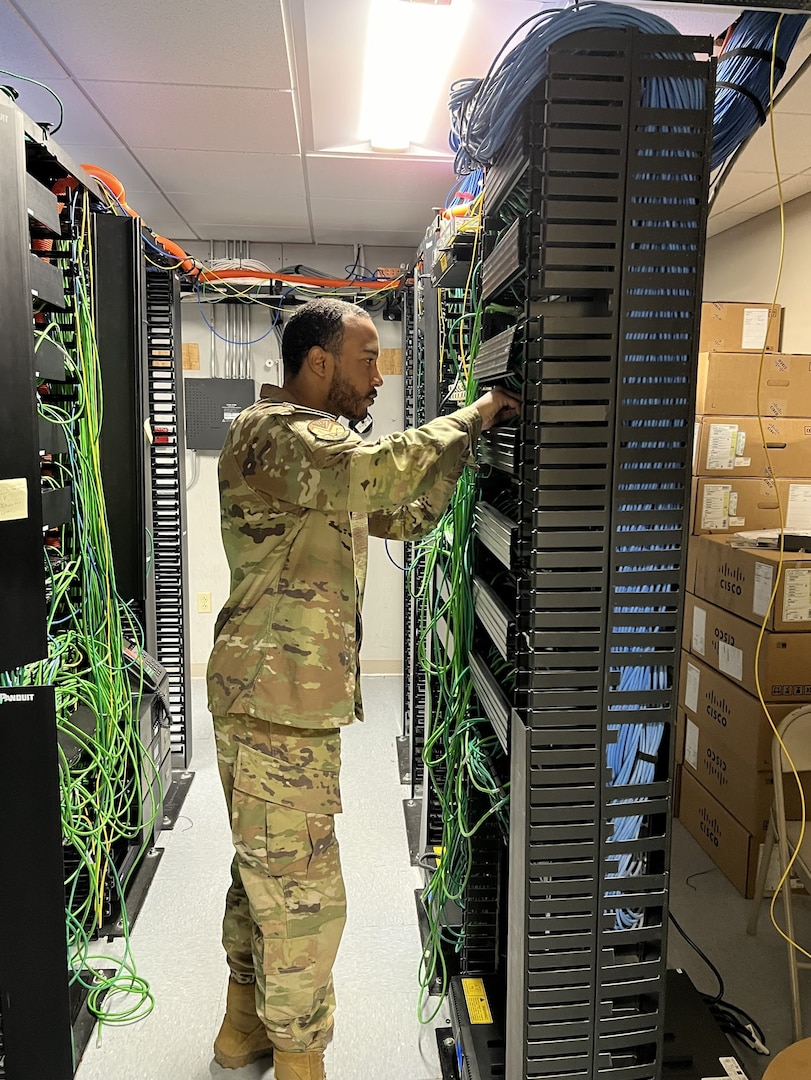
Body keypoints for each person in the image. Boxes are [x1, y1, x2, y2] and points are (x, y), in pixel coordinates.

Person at [206, 297, 519, 1080]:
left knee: (267, 871)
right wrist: (472, 415)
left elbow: (404, 512)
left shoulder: (320, 456)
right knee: (303, 891)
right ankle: (299, 1058)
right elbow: (372, 471)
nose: (377, 377)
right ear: (317, 363)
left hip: (283, 701)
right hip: (272, 700)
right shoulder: (274, 437)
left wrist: (461, 454)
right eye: (365, 359)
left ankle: (241, 1032)